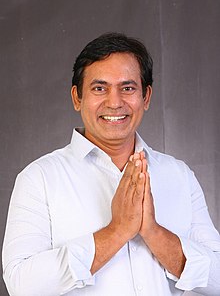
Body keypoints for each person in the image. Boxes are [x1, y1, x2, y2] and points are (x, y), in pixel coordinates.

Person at [2, 33, 220, 296]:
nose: (115, 102)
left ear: (146, 97)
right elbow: (20, 285)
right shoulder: (39, 178)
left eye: (127, 88)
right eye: (99, 88)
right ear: (77, 97)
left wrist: (153, 232)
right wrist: (116, 232)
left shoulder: (179, 175)